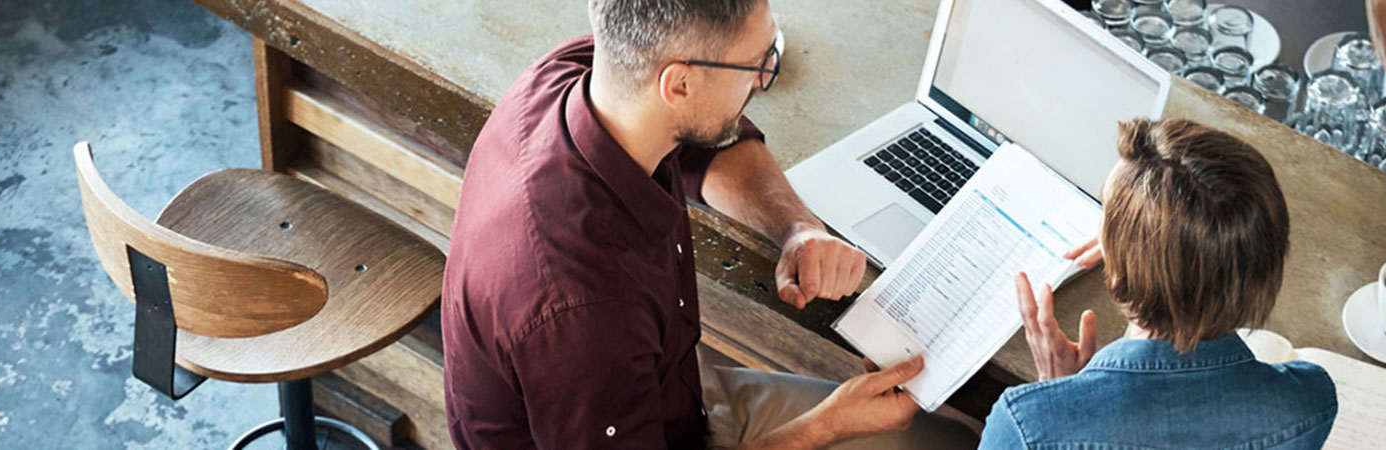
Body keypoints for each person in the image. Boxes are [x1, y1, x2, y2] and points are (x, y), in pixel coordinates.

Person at [438, 0, 975, 448]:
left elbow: (707, 144)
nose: (762, 83)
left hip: (670, 401)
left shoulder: (581, 79)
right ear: (680, 84)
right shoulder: (586, 310)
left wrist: (797, 228)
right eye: (756, 65)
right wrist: (825, 425)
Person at [980, 118, 1339, 449]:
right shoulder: (1310, 402)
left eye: (1103, 212)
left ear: (1118, 268)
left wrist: (1056, 400)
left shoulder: (1024, 425)